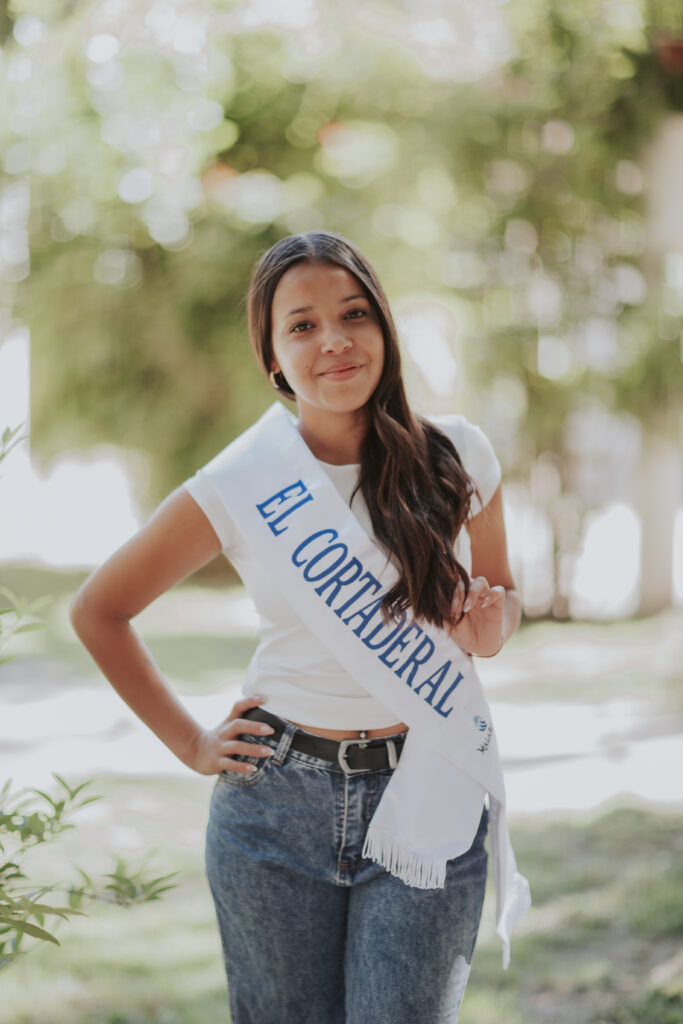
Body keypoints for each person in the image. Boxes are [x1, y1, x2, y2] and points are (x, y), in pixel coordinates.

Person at [69, 230, 524, 1023]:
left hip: (427, 785)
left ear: (384, 327)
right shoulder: (242, 483)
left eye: (353, 314)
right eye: (302, 325)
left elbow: (500, 602)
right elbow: (98, 611)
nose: (334, 340)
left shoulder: (459, 455)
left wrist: (488, 629)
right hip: (276, 805)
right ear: (272, 359)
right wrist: (191, 744)